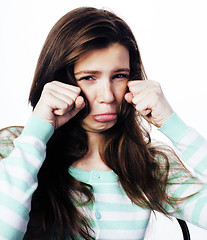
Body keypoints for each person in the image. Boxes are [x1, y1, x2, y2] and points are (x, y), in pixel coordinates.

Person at [0, 6, 207, 240]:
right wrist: (37, 129)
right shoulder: (14, 151)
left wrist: (173, 124)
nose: (108, 96)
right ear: (60, 81)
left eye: (119, 76)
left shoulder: (149, 167)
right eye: (89, 78)